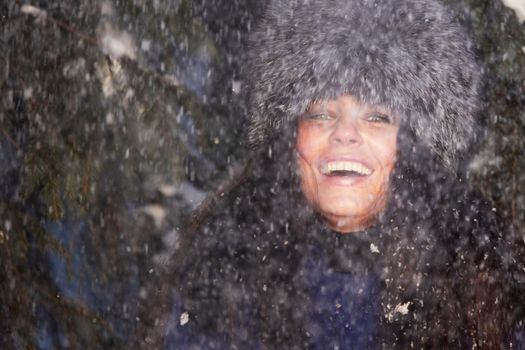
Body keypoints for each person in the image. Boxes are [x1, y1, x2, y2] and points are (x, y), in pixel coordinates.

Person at [144, 0, 525, 348]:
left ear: (412, 150)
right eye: (321, 114)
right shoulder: (221, 268)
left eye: (377, 116)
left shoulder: (480, 282)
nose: (344, 133)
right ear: (291, 139)